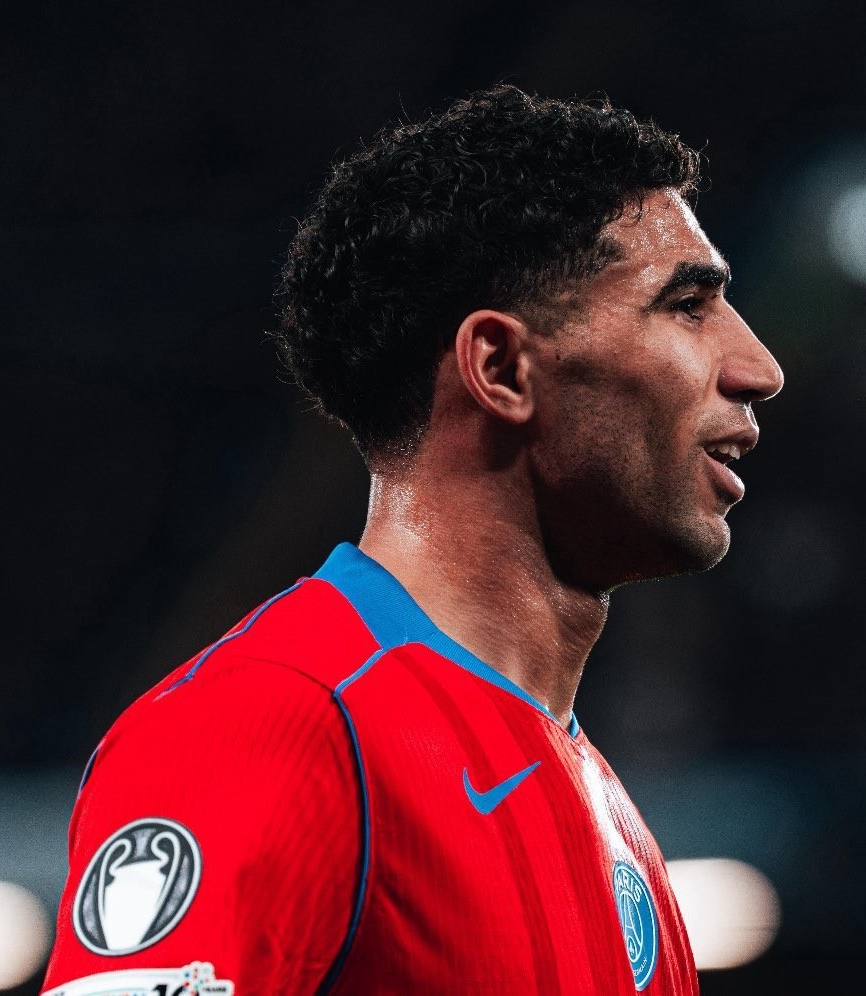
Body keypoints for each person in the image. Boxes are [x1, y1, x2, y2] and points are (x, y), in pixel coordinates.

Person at [42, 85, 783, 995]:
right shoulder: (271, 720)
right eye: (688, 304)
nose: (759, 368)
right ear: (500, 367)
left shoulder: (609, 814)